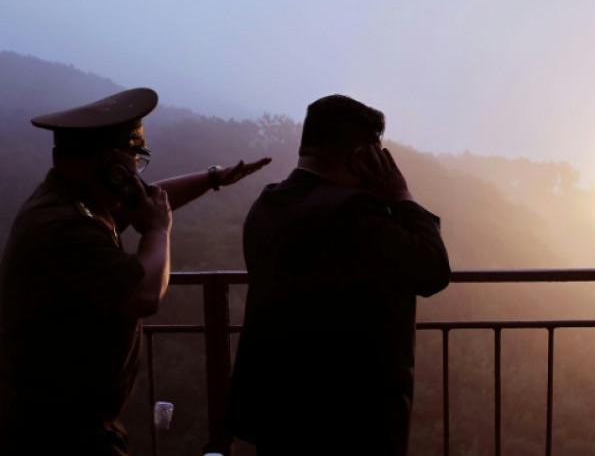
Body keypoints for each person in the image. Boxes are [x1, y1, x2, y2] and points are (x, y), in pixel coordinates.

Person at [0, 87, 271, 455]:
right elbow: (144, 294)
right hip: (59, 433)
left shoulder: (76, 201)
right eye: (135, 159)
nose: (136, 172)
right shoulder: (65, 225)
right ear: (113, 165)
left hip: (69, 423)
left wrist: (213, 179)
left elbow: (150, 199)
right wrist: (158, 230)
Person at [225, 94, 452, 455]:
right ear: (363, 157)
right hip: (349, 423)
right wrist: (400, 193)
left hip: (276, 412)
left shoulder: (267, 204)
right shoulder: (352, 212)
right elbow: (432, 269)